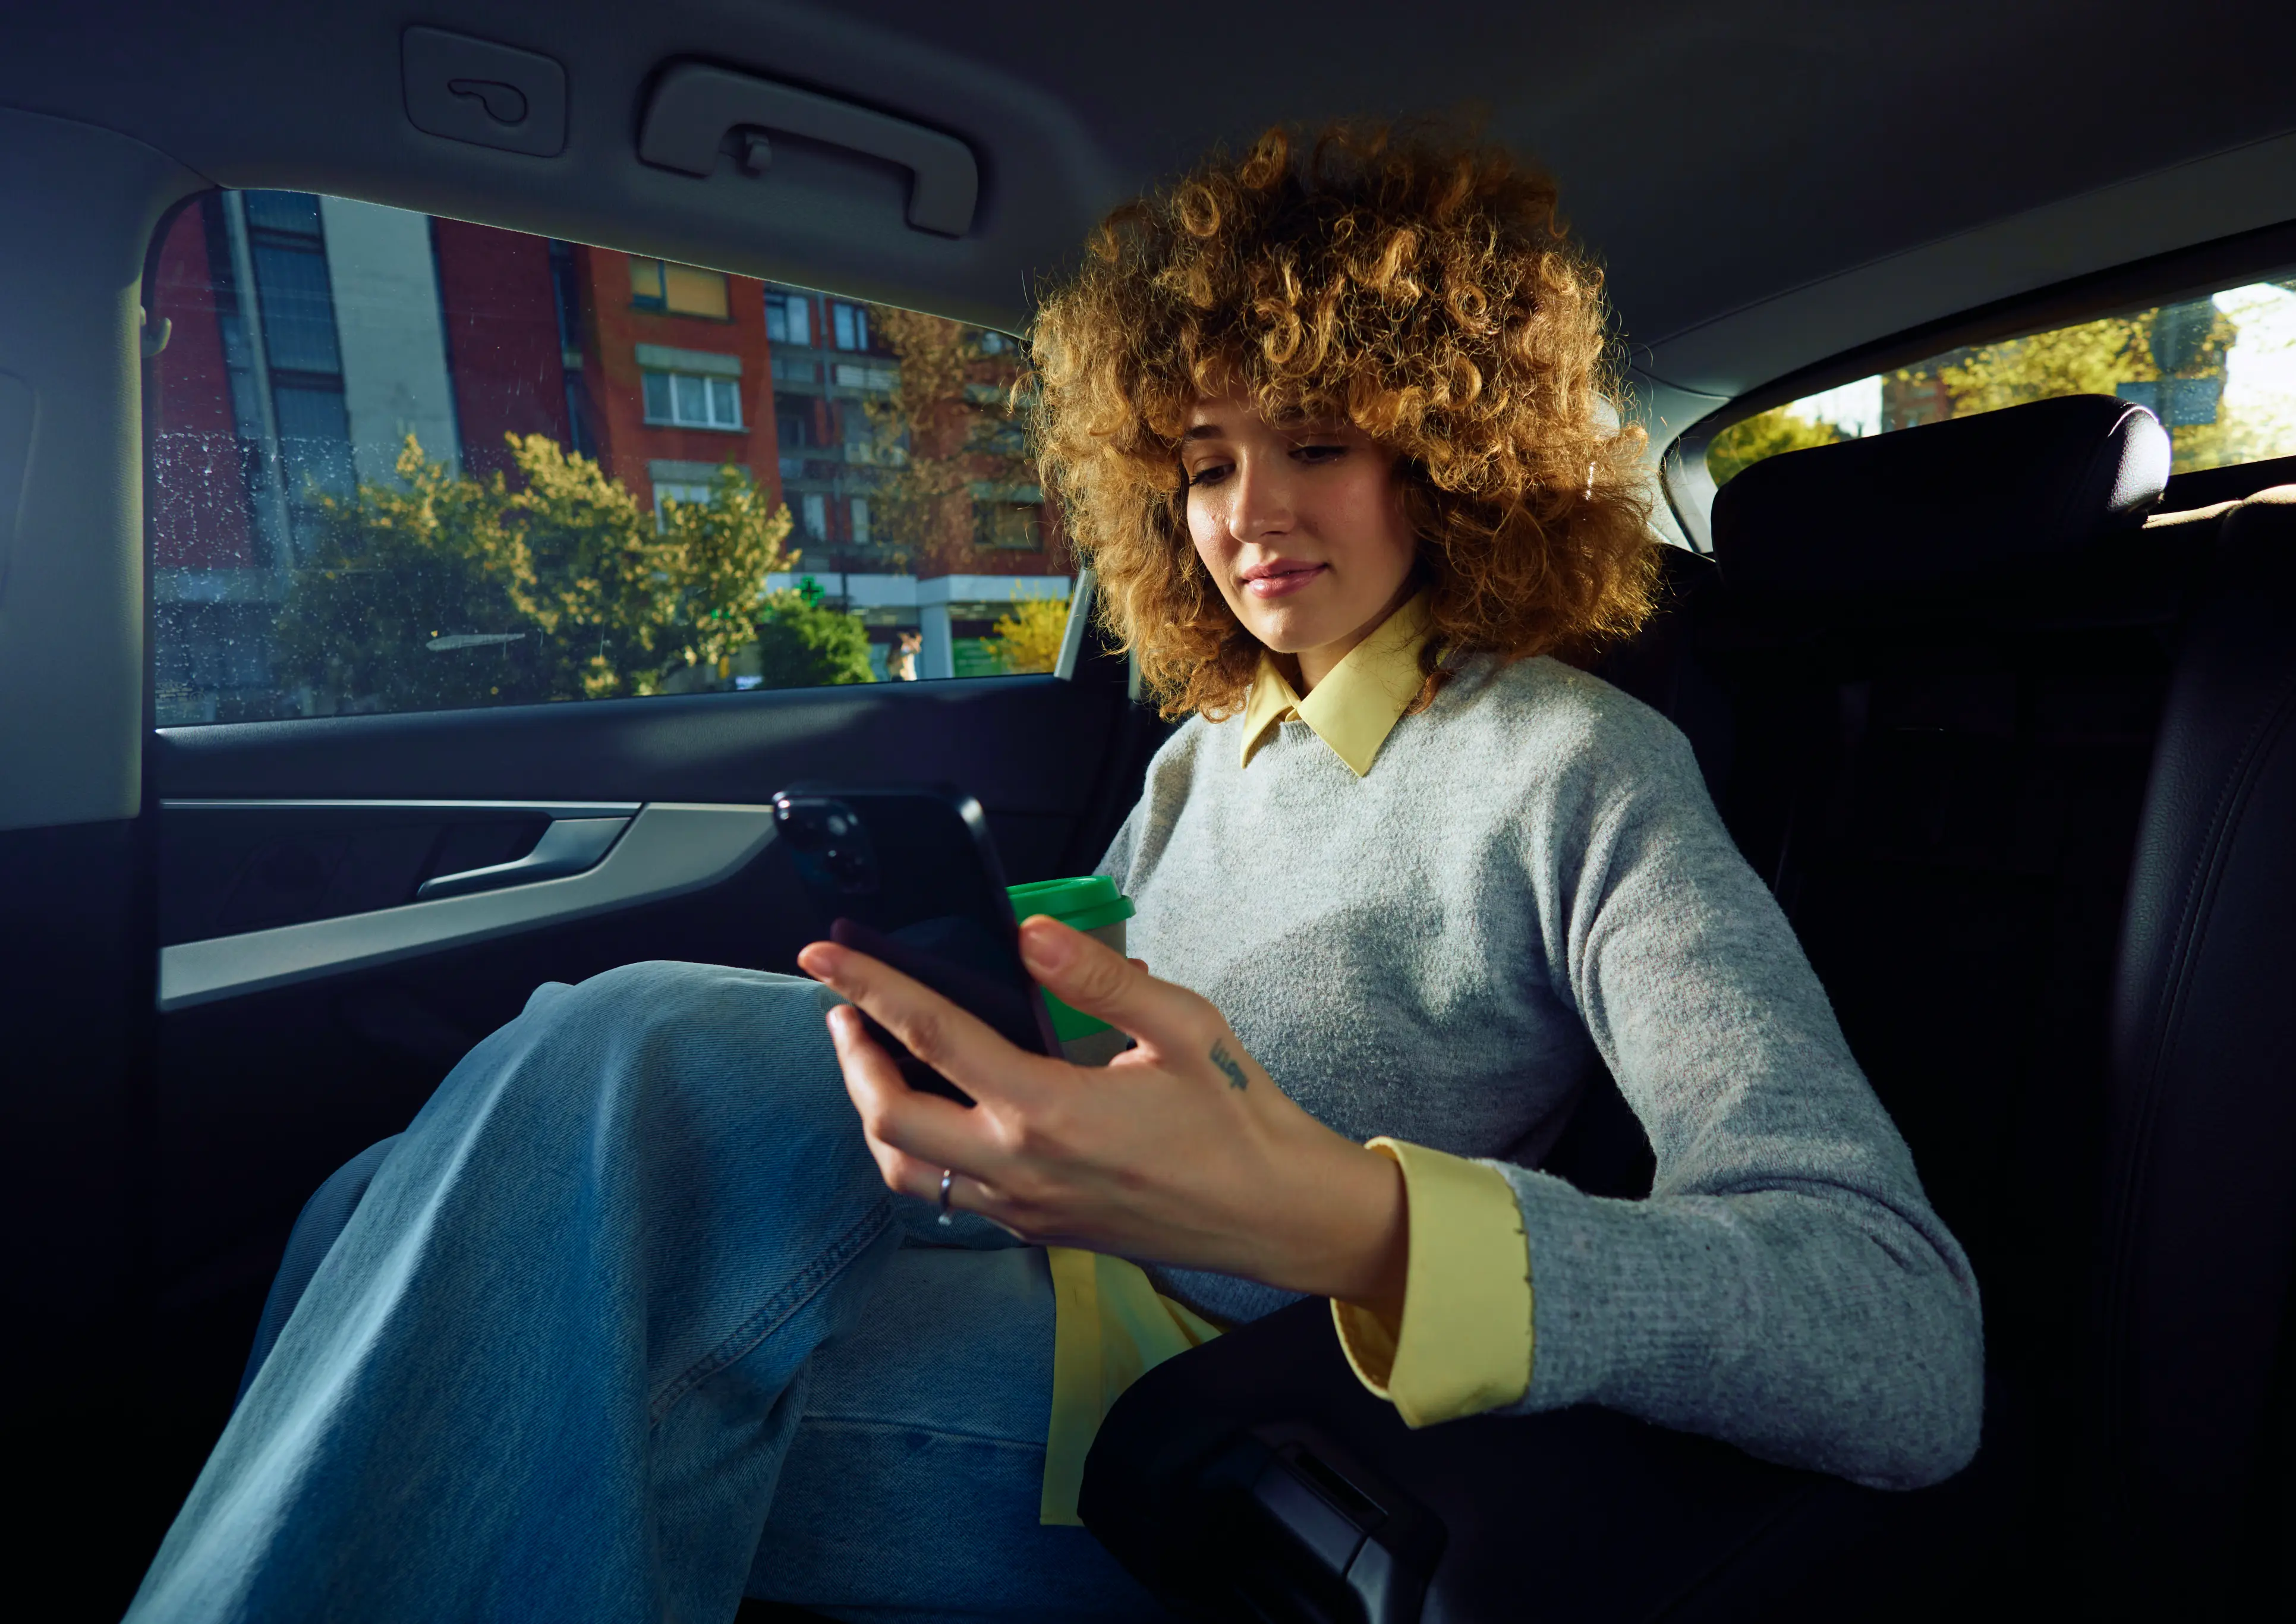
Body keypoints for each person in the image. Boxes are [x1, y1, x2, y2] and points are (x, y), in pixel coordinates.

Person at [125, 124, 1980, 1624]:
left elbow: (1895, 1333)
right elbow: (1102, 990)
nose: (1251, 513)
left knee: (624, 1056)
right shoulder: (1198, 757)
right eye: (1203, 462)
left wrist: (1355, 1221)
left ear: (1450, 450)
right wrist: (967, 995)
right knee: (380, 1193)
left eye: (1316, 441)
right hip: (1013, 1247)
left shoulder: (1579, 765)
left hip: (1204, 1380)